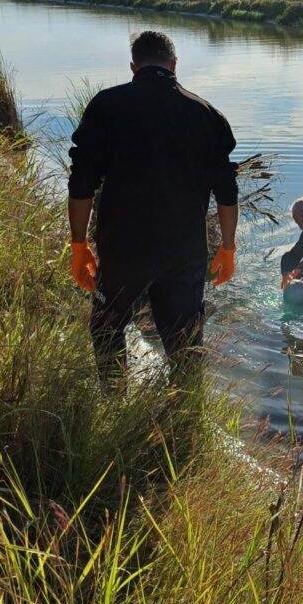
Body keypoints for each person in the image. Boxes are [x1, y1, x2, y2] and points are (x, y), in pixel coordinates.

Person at [68, 29, 238, 381]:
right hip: (184, 252)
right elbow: (227, 191)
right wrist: (227, 248)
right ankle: (185, 417)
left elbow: (81, 183)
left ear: (134, 67)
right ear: (174, 65)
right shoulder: (207, 115)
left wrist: (79, 245)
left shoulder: (107, 106)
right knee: (185, 344)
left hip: (122, 249)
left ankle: (114, 403)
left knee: (107, 327)